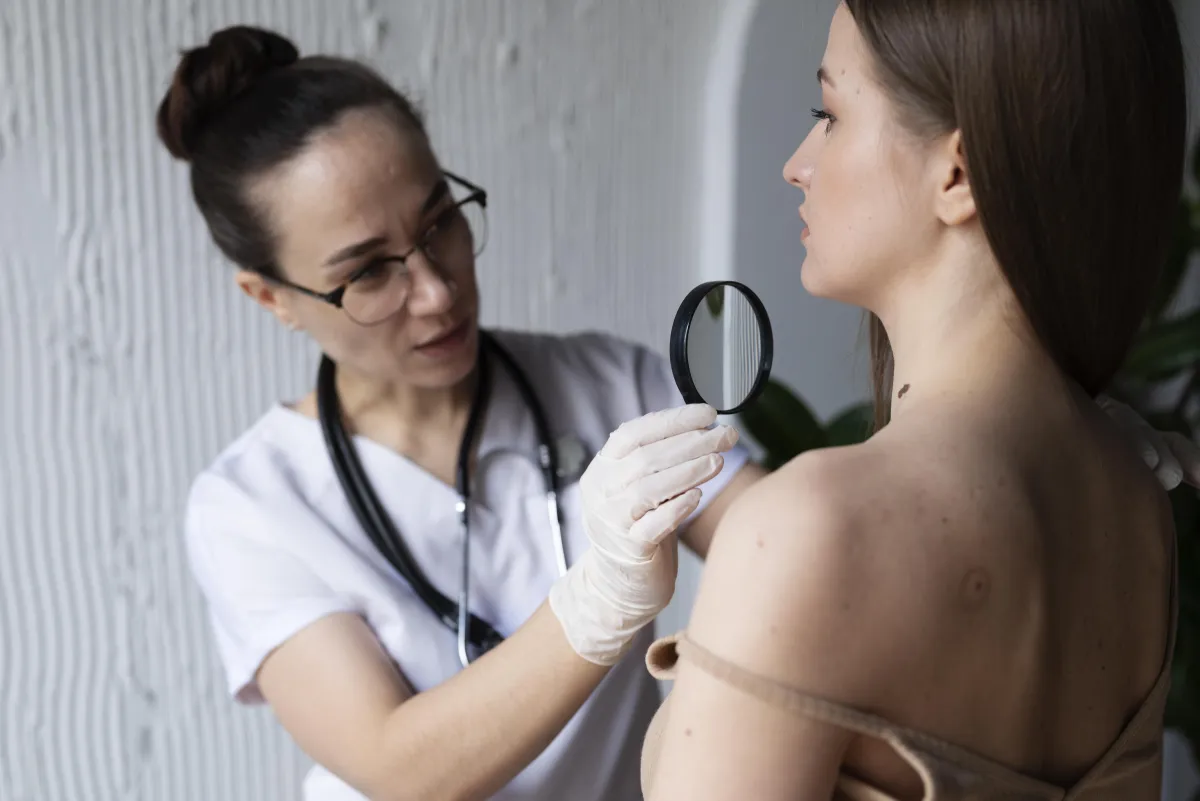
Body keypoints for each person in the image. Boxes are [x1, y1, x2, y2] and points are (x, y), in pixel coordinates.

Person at [162, 21, 1197, 801]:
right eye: (370, 272)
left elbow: (814, 551)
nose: (434, 289)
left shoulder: (613, 388)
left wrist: (1019, 498)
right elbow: (396, 764)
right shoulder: (250, 506)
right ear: (270, 297)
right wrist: (597, 601)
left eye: (442, 223)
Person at [642, 2, 1198, 800]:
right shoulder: (1140, 500)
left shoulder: (810, 529)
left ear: (958, 173)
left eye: (827, 115)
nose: (797, 163)